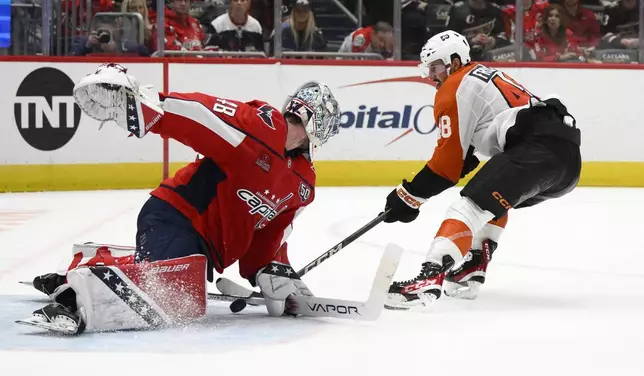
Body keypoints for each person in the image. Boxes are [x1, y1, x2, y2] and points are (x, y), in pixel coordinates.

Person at [18, 63, 341, 334]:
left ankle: (88, 264)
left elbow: (270, 233)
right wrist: (150, 106)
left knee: (182, 285)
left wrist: (269, 269)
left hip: (201, 248)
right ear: (323, 127)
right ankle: (73, 300)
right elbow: (204, 118)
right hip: (175, 216)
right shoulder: (262, 127)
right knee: (175, 297)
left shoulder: (302, 185)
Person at [382, 30, 581, 309]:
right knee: (492, 200)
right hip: (567, 164)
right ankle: (472, 267)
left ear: (453, 62)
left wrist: (408, 196)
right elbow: (472, 150)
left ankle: (428, 280)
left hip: (536, 150)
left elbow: (446, 167)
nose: (431, 76)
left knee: (469, 207)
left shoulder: (454, 85)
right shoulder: (483, 75)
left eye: (436, 67)